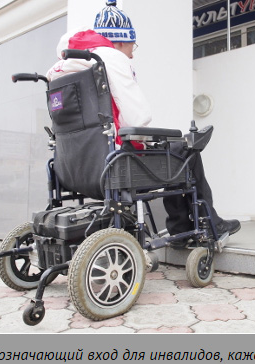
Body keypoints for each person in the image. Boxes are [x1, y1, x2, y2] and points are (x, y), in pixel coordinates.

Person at [46, 1, 240, 243]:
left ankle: (181, 227)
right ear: (120, 41)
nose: (132, 53)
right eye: (132, 45)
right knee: (185, 151)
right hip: (112, 164)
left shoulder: (60, 68)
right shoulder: (111, 58)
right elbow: (138, 118)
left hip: (71, 168)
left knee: (174, 152)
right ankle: (206, 225)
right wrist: (151, 139)